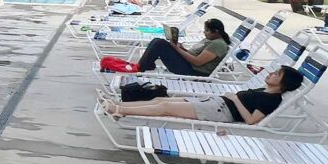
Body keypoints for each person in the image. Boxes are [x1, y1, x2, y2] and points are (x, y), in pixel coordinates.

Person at [103, 66, 303, 123]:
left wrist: (234, 99)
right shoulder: (264, 90)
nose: (271, 73)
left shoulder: (272, 99)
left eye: (277, 74)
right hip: (215, 102)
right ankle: (116, 104)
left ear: (283, 84)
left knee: (164, 108)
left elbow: (251, 121)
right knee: (160, 99)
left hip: (219, 111)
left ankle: (117, 110)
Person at [136, 18, 231, 77]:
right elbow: (194, 55)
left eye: (206, 31)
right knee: (157, 40)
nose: (204, 32)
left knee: (159, 43)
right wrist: (182, 48)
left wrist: (176, 49)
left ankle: (142, 67)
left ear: (216, 31)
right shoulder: (211, 39)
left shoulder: (218, 44)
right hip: (188, 65)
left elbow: (197, 62)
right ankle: (145, 65)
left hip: (193, 71)